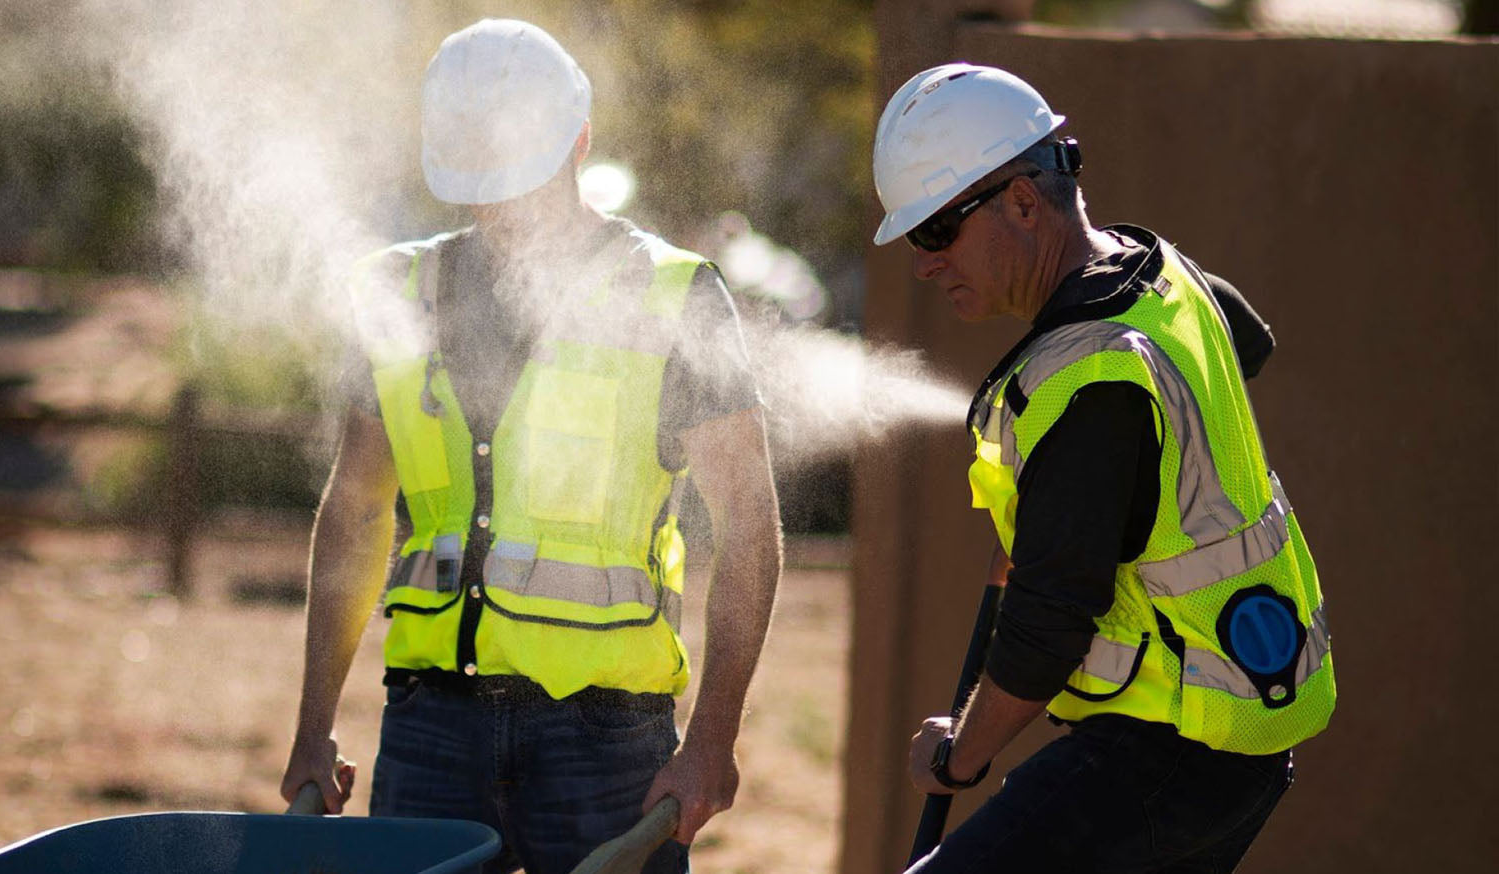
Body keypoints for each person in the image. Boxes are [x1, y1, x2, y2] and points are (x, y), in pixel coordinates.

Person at [278, 19, 781, 874]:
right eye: (477, 178)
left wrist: (712, 740)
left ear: (579, 141)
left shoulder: (674, 295)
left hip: (606, 735)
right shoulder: (397, 293)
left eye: (518, 174)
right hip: (431, 720)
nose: (499, 204)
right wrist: (313, 723)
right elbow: (357, 507)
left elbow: (751, 531)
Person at [871, 64, 1336, 872]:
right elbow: (1245, 347)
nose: (925, 262)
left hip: (1173, 751)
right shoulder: (1158, 271)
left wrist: (962, 757)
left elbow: (1049, 624)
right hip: (1243, 726)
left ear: (1021, 200)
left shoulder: (1088, 380)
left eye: (936, 231)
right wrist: (1075, 506)